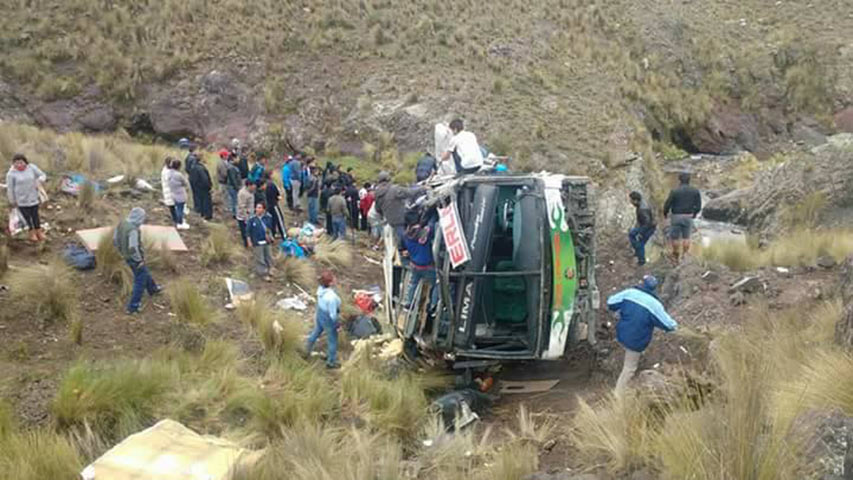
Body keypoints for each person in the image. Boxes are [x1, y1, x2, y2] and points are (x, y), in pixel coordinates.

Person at [607, 275, 677, 396]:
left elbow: (610, 302)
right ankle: (618, 395)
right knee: (629, 368)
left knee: (622, 314)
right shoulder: (655, 305)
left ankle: (614, 363)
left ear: (642, 283)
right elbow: (669, 325)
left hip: (621, 333)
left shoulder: (629, 293)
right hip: (636, 341)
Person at [114, 207, 162, 314]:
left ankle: (153, 289)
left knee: (143, 272)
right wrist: (139, 260)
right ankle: (133, 306)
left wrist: (121, 251)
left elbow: (115, 239)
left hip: (126, 256)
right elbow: (133, 247)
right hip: (134, 258)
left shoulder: (122, 223)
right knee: (140, 280)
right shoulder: (133, 230)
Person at [374, 171, 425, 246]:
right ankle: (408, 251)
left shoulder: (377, 193)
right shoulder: (394, 189)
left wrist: (384, 213)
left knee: (398, 237)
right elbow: (409, 192)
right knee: (404, 237)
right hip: (400, 217)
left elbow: (377, 208)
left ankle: (402, 249)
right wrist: (422, 188)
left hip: (390, 219)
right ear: (388, 179)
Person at [305, 270, 342, 369]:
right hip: (328, 318)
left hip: (320, 313)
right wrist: (337, 324)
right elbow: (333, 315)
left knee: (316, 332)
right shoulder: (331, 297)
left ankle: (306, 350)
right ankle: (331, 362)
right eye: (333, 279)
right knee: (332, 339)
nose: (335, 279)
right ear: (330, 283)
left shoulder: (320, 289)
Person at [6, 153, 47, 242]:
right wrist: (12, 200)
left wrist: (39, 180)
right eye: (16, 163)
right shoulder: (11, 174)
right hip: (21, 200)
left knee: (35, 216)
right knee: (27, 217)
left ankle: (39, 232)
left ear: (25, 162)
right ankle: (32, 233)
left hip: (33, 197)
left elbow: (43, 175)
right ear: (13, 164)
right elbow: (10, 188)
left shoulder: (31, 168)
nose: (19, 165)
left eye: (21, 162)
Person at [663, 172, 702, 263]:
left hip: (676, 216)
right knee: (686, 237)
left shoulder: (675, 191)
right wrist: (695, 214)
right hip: (688, 216)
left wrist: (665, 213)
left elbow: (668, 204)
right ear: (689, 180)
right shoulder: (695, 191)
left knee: (675, 237)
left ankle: (676, 254)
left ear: (679, 180)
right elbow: (699, 206)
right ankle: (685, 255)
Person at [402, 222, 438, 310]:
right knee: (436, 284)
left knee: (412, 283)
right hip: (427, 267)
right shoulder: (423, 241)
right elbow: (431, 227)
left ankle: (408, 303)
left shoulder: (407, 240)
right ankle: (433, 305)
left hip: (414, 265)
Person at [246, 202, 274, 281]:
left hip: (266, 241)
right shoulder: (252, 219)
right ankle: (263, 273)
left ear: (264, 209)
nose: (257, 209)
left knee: (268, 256)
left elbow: (270, 228)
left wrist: (269, 236)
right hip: (257, 241)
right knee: (260, 258)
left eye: (260, 208)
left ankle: (270, 269)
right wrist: (249, 241)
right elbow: (248, 231)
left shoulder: (268, 218)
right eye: (257, 207)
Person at [628, 191, 656, 266]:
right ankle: (639, 254)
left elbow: (647, 223)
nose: (630, 202)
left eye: (631, 200)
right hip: (648, 226)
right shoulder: (641, 205)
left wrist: (640, 232)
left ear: (635, 200)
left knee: (635, 238)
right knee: (639, 240)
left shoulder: (642, 209)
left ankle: (641, 260)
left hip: (648, 227)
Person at [166, 160, 191, 230]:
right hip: (180, 194)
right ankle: (180, 223)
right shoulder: (178, 175)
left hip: (173, 193)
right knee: (180, 209)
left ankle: (179, 221)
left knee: (177, 208)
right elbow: (185, 183)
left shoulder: (169, 173)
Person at [189, 154, 213, 220]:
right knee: (206, 202)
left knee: (199, 201)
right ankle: (207, 216)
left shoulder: (193, 167)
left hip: (196, 187)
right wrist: (209, 186)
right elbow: (205, 179)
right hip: (203, 188)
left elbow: (191, 179)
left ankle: (201, 214)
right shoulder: (201, 168)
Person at [264, 171, 285, 239]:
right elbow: (277, 194)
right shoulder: (271, 184)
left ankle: (273, 234)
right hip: (274, 204)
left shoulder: (265, 184)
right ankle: (283, 235)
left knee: (272, 220)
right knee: (279, 219)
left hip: (267, 205)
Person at [236, 180, 256, 247]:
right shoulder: (242, 193)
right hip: (244, 217)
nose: (254, 187)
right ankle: (247, 245)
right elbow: (242, 206)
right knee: (245, 232)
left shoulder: (251, 191)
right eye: (253, 186)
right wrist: (246, 218)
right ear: (249, 185)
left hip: (251, 215)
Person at [224, 154, 241, 218]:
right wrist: (237, 187)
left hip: (233, 186)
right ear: (233, 159)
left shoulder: (233, 166)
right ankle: (235, 214)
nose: (238, 160)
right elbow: (233, 179)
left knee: (234, 200)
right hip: (233, 187)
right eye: (237, 158)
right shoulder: (231, 168)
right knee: (235, 201)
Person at [161, 157, 177, 223]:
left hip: (170, 191)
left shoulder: (167, 170)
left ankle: (176, 220)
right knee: (173, 207)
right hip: (169, 191)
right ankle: (176, 220)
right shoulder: (166, 172)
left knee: (173, 206)